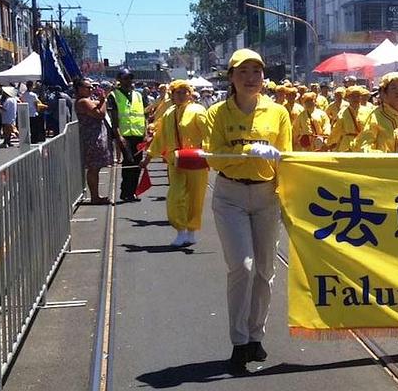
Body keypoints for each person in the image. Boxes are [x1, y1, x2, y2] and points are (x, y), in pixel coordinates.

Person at [204, 48, 290, 373]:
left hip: (267, 195)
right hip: (230, 196)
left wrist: (277, 166)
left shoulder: (278, 112)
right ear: (231, 78)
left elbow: (287, 157)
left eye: (257, 72)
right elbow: (214, 157)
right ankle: (239, 341)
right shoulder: (216, 113)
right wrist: (249, 153)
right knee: (242, 265)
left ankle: (256, 336)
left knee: (266, 270)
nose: (251, 78)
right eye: (243, 72)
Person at [143, 80, 209, 247]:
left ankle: (191, 230)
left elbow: (209, 133)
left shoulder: (198, 111)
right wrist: (149, 156)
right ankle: (180, 230)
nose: (180, 96)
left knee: (195, 197)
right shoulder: (168, 113)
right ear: (171, 94)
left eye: (183, 92)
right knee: (175, 195)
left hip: (196, 160)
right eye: (176, 93)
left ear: (189, 94)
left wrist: (208, 154)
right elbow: (160, 138)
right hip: (175, 160)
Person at [107, 68, 147, 202]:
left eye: (130, 77)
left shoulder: (139, 95)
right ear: (119, 80)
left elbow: (144, 115)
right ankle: (125, 192)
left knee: (137, 163)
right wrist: (118, 136)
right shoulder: (113, 95)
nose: (128, 80)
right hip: (124, 135)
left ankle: (133, 191)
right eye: (125, 78)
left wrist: (146, 133)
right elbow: (113, 119)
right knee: (128, 161)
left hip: (138, 134)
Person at [73, 78, 112, 205]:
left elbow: (96, 104)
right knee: (93, 168)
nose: (91, 89)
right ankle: (95, 197)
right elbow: (100, 114)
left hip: (95, 136)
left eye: (91, 87)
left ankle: (96, 195)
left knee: (96, 167)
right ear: (79, 88)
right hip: (91, 138)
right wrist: (104, 100)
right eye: (88, 87)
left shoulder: (87, 100)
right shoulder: (83, 101)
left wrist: (101, 100)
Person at [328, 85, 370, 152]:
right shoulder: (342, 112)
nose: (355, 98)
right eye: (352, 96)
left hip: (363, 145)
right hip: (347, 146)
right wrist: (328, 144)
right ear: (348, 98)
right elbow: (336, 131)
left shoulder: (368, 111)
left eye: (358, 96)